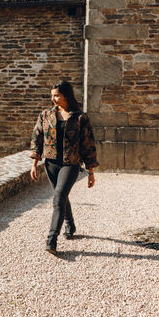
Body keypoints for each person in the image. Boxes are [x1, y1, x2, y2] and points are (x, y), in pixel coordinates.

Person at [29, 80, 98, 254]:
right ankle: (70, 223)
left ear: (66, 95)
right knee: (61, 196)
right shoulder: (45, 115)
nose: (53, 99)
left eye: (57, 95)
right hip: (51, 164)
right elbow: (37, 139)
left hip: (71, 164)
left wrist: (90, 172)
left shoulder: (80, 117)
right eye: (52, 95)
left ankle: (51, 240)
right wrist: (34, 164)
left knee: (58, 197)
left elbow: (88, 145)